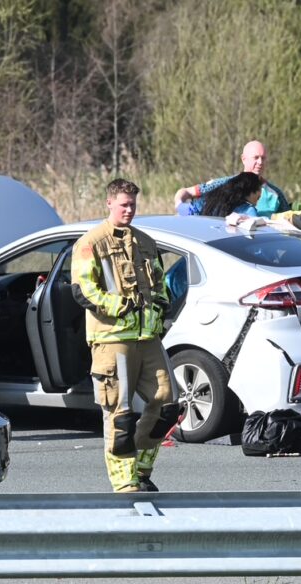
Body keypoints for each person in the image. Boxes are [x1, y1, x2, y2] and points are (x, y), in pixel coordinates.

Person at [71, 178, 178, 493]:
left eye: (133, 204)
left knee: (167, 404)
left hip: (148, 338)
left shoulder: (144, 241)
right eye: (123, 205)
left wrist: (160, 308)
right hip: (112, 339)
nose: (129, 210)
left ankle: (142, 471)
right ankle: (124, 483)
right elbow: (83, 290)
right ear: (109, 203)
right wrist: (116, 305)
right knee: (120, 414)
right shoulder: (92, 242)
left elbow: (160, 285)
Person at [172, 140, 290, 217]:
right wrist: (180, 206)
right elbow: (185, 192)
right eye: (256, 157)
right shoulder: (223, 185)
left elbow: (288, 223)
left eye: (263, 158)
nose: (260, 162)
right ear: (243, 159)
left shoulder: (276, 194)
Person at [176, 172, 263, 218]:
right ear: (252, 189)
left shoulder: (210, 199)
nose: (261, 193)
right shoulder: (248, 210)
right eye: (259, 188)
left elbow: (185, 211)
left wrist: (179, 206)